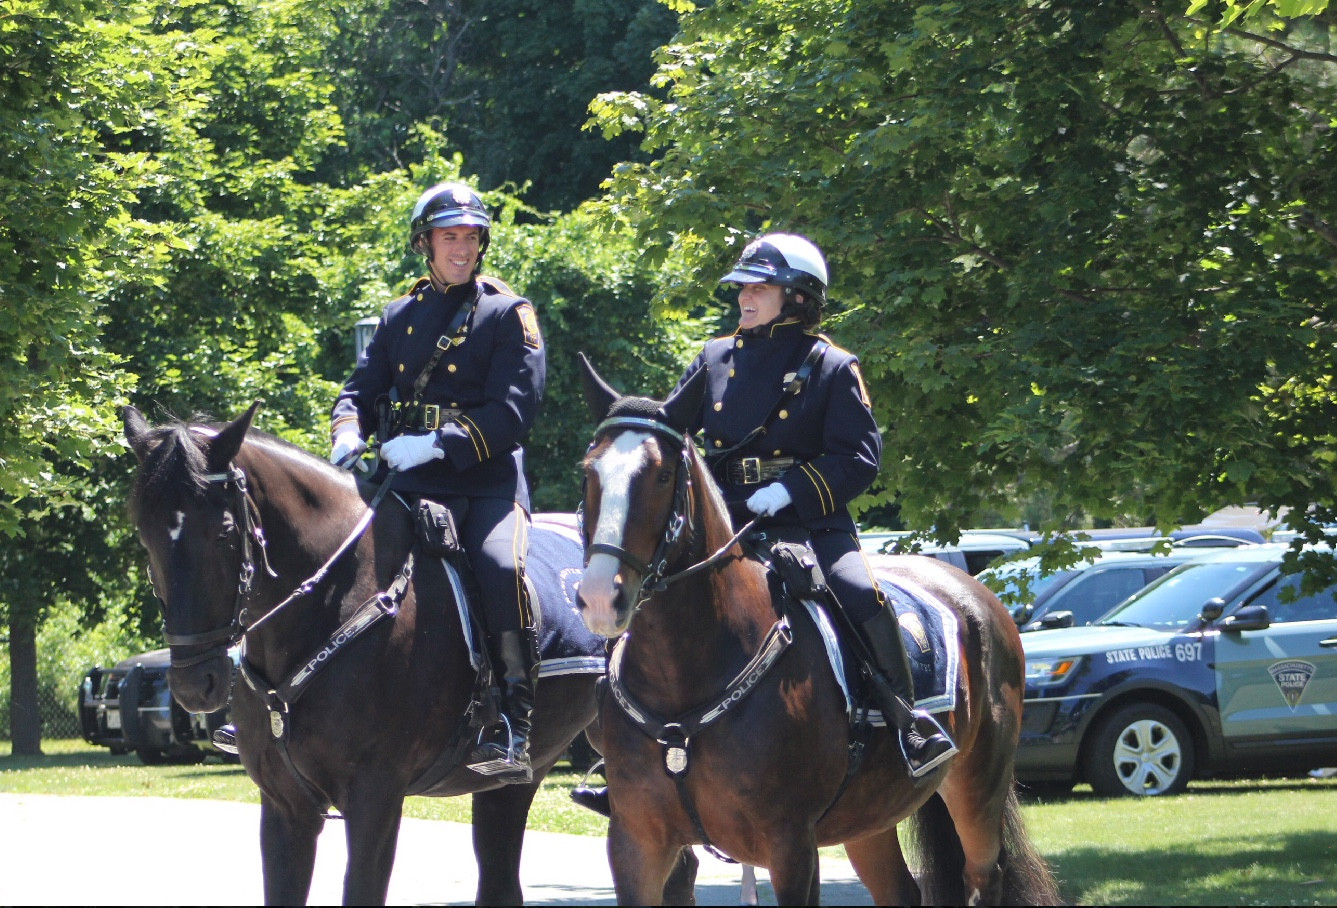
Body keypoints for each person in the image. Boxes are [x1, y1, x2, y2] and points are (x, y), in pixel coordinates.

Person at [573, 234, 953, 818]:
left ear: (798, 297)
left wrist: (791, 489)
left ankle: (907, 722)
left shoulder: (830, 365)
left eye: (759, 287)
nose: (745, 297)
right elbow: (674, 434)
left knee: (859, 592)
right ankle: (626, 755)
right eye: (742, 287)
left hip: (809, 523)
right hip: (728, 524)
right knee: (650, 602)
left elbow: (858, 458)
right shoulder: (715, 358)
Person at [216, 181, 546, 783]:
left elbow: (512, 413)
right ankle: (256, 695)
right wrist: (348, 431)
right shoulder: (401, 314)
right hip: (401, 480)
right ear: (425, 243)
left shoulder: (506, 314)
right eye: (450, 237)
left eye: (471, 238)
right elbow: (357, 392)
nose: (462, 249)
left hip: (482, 485)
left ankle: (512, 720)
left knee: (501, 569)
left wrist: (436, 443)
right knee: (312, 551)